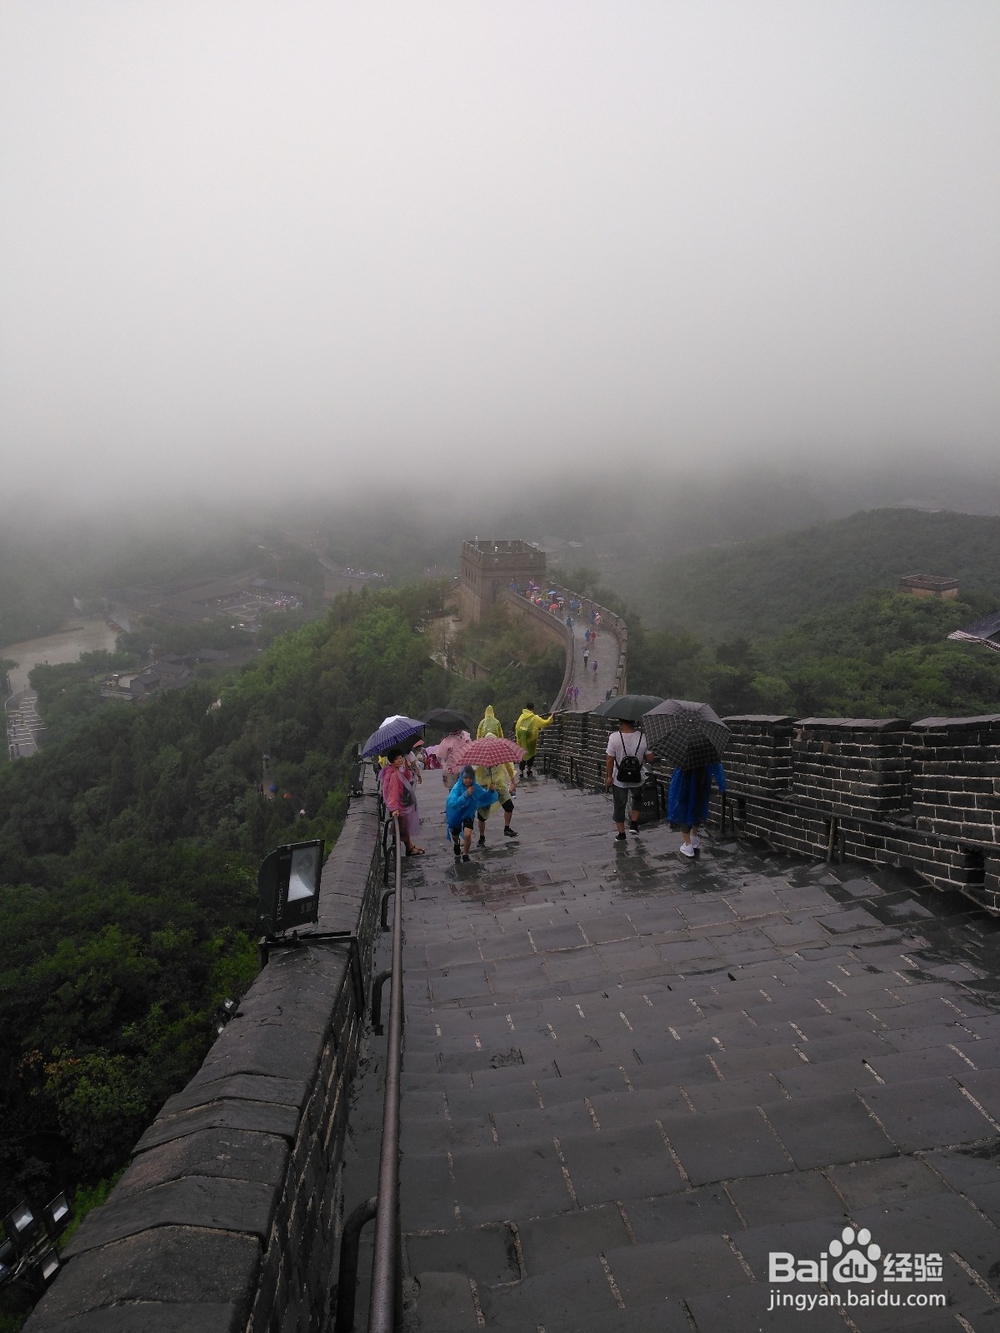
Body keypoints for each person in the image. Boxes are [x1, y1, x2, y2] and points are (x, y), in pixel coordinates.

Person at [605, 721, 654, 841]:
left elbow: (610, 759)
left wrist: (609, 777)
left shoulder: (614, 737)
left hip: (619, 778)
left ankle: (621, 834)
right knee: (637, 798)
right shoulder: (643, 737)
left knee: (619, 804)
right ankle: (634, 824)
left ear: (621, 722)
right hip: (637, 777)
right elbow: (650, 759)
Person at [668, 762, 726, 857]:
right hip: (702, 780)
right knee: (697, 808)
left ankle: (688, 845)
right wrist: (722, 785)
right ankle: (693, 837)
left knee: (682, 812)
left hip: (684, 783)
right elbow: (717, 768)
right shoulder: (704, 754)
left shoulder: (684, 756)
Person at [446, 765, 499, 861]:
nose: (468, 780)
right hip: (456, 815)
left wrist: (490, 791)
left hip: (468, 814)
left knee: (467, 834)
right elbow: (453, 804)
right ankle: (456, 843)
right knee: (455, 834)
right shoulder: (456, 788)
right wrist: (466, 794)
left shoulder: (475, 788)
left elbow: (484, 796)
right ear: (461, 778)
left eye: (470, 778)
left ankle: (465, 854)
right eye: (465, 778)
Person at [381, 748, 424, 855]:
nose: (400, 761)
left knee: (403, 828)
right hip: (399, 806)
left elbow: (405, 779)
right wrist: (394, 808)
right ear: (391, 761)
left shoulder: (395, 770)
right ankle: (409, 849)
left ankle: (410, 846)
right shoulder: (393, 775)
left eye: (401, 758)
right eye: (397, 759)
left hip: (401, 804)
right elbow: (393, 793)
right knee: (403, 828)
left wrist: (407, 769)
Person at [475, 760, 518, 842]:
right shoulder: (478, 758)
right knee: (482, 816)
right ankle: (482, 836)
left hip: (499, 784)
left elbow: (508, 766)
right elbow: (472, 772)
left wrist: (513, 782)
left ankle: (507, 828)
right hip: (483, 787)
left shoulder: (499, 755)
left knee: (509, 806)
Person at [514, 703, 554, 778]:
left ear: (526, 708)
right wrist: (551, 717)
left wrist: (518, 739)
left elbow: (517, 727)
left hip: (522, 741)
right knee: (531, 755)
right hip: (531, 741)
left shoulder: (521, 717)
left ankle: (521, 772)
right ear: (533, 709)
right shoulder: (535, 718)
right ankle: (529, 770)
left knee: (522, 756)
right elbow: (545, 723)